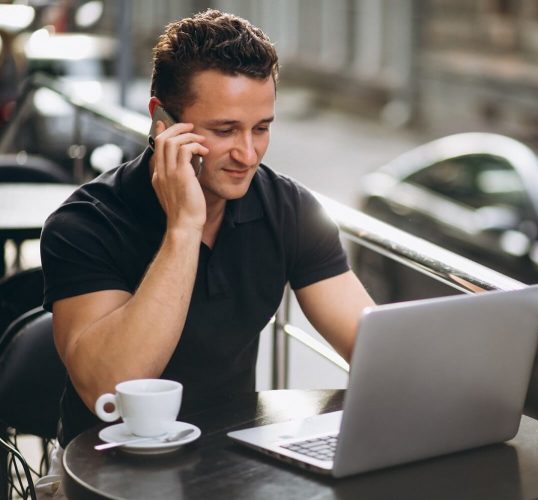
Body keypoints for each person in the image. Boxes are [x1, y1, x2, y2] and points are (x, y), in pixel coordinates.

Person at [36, 9, 374, 497]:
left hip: (232, 463)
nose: (248, 154)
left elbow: (372, 345)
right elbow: (111, 384)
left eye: (261, 128)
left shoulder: (290, 208)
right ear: (162, 121)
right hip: (103, 476)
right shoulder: (85, 223)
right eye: (224, 130)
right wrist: (184, 227)